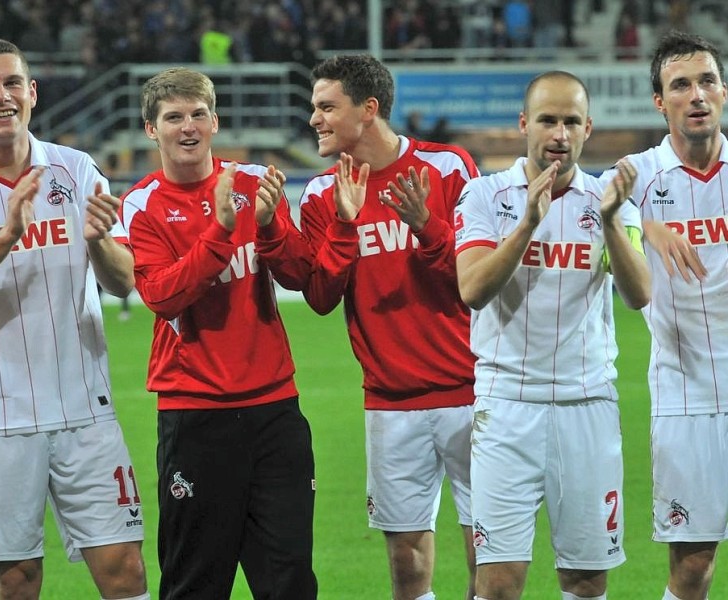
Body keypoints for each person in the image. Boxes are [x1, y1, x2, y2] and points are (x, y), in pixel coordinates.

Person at [0, 39, 149, 600]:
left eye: (11, 84)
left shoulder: (76, 170)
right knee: (16, 582)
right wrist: (5, 236)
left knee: (125, 568)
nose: (0, 96)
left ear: (32, 92)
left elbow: (124, 281)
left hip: (84, 407)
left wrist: (99, 242)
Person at [119, 67, 317, 600]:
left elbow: (304, 279)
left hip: (275, 408)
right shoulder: (143, 205)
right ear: (150, 130)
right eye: (173, 117)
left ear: (215, 121)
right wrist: (221, 232)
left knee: (291, 579)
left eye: (198, 115)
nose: (188, 127)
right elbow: (162, 295)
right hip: (196, 413)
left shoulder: (253, 182)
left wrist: (273, 225)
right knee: (195, 583)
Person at [455, 71, 650, 600]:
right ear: (524, 124)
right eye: (547, 120)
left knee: (586, 582)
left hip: (586, 407)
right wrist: (525, 226)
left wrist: (610, 219)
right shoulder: (484, 195)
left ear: (588, 128)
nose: (559, 133)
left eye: (570, 121)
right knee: (496, 583)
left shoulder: (613, 202)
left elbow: (639, 295)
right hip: (505, 410)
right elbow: (471, 289)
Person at [300, 54, 480, 600]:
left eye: (327, 107)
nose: (315, 119)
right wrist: (343, 223)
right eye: (314, 107)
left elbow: (476, 280)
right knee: (405, 564)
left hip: (471, 391)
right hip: (389, 400)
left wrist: (428, 228)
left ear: (368, 109)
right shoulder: (319, 195)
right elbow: (321, 297)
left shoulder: (448, 168)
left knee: (488, 552)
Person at [602, 30, 728, 600]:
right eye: (681, 85)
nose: (697, 94)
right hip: (686, 393)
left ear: (722, 91)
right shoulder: (636, 175)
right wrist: (644, 225)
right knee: (694, 566)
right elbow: (601, 208)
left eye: (707, 81)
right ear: (661, 101)